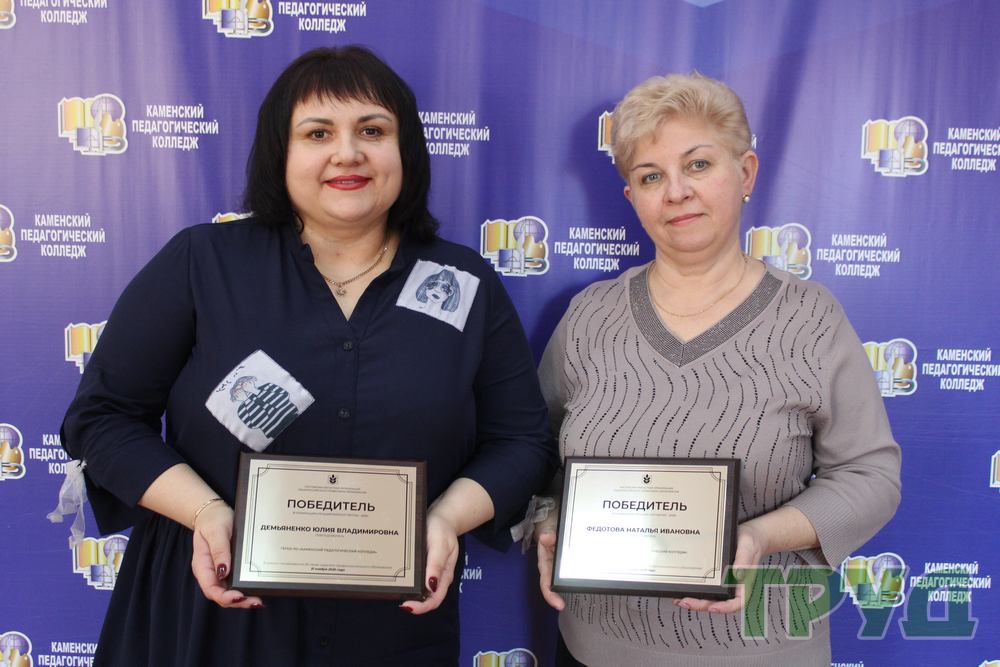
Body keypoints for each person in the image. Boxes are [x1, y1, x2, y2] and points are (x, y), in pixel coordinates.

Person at [61, 45, 557, 666]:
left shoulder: (465, 282)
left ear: (405, 151)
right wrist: (205, 512)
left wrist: (446, 520)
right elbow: (102, 418)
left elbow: (522, 441)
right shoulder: (203, 263)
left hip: (393, 622)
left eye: (372, 131)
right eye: (317, 133)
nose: (347, 153)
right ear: (282, 152)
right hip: (210, 610)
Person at [534, 73, 901, 666]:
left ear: (746, 173)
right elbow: (534, 454)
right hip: (596, 647)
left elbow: (870, 477)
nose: (676, 192)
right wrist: (551, 516)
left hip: (764, 649)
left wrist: (758, 536)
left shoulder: (810, 318)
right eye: (650, 176)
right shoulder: (589, 317)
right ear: (632, 197)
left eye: (698, 165)